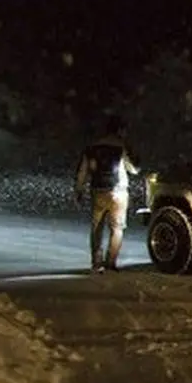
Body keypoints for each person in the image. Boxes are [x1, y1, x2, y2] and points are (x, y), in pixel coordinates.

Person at [74, 115, 140, 274]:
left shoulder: (92, 147)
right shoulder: (121, 146)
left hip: (98, 191)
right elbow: (134, 169)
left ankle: (97, 263)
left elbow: (83, 171)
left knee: (97, 228)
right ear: (120, 130)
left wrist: (79, 189)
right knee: (117, 228)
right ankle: (111, 262)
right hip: (118, 192)